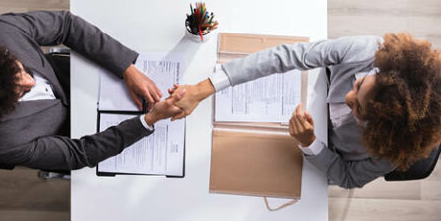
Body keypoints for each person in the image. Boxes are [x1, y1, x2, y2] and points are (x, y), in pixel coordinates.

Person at [168, 33, 441, 188]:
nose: (348, 95)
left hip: (310, 158)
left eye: (359, 109)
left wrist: (310, 143)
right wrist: (204, 88)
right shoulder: (368, 51)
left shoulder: (391, 152)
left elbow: (347, 177)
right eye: (359, 84)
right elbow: (288, 56)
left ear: (383, 131)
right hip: (304, 91)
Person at [0, 11, 184, 171]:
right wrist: (148, 120)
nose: (30, 83)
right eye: (17, 93)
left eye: (18, 70)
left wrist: (126, 68)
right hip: (72, 134)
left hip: (78, 77)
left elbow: (66, 25)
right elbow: (77, 154)